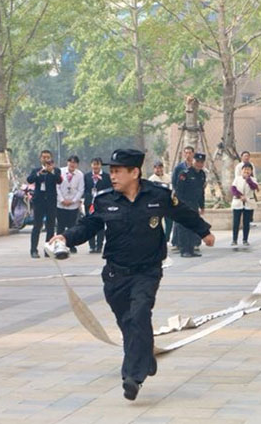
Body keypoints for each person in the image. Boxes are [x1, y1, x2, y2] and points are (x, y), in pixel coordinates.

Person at [50, 148, 214, 401]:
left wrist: (204, 232)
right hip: (115, 274)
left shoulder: (158, 196)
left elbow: (182, 213)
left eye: (118, 171)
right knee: (128, 323)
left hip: (147, 272)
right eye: (111, 171)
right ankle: (145, 356)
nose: (113, 176)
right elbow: (89, 225)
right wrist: (65, 237)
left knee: (139, 315)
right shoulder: (105, 199)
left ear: (134, 172)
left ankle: (132, 377)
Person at [27, 150, 62, 258]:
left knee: (51, 226)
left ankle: (48, 250)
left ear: (51, 158)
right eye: (44, 157)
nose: (46, 159)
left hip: (51, 201)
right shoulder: (36, 170)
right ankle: (33, 250)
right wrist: (39, 173)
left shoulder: (56, 170)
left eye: (48, 157)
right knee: (37, 226)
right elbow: (29, 180)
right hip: (39, 201)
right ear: (40, 158)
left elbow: (59, 181)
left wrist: (51, 171)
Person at [175, 153, 207, 258]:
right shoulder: (185, 174)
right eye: (197, 161)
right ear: (193, 161)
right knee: (184, 227)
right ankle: (184, 250)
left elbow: (201, 192)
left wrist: (202, 205)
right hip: (184, 203)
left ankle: (191, 249)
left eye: (201, 162)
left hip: (194, 204)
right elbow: (178, 191)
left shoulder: (202, 174)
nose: (199, 164)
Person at [83, 157, 111, 253]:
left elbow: (109, 190)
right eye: (94, 164)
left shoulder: (106, 176)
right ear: (91, 165)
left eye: (98, 164)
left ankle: (99, 245)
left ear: (101, 165)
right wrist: (89, 198)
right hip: (89, 204)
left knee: (100, 225)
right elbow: (85, 189)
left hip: (102, 204)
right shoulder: (87, 176)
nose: (96, 166)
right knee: (89, 224)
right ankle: (91, 246)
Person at [56, 155, 84, 253]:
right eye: (70, 162)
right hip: (61, 204)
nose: (72, 164)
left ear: (77, 164)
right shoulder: (60, 171)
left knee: (72, 227)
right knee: (60, 226)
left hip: (73, 205)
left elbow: (81, 190)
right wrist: (62, 200)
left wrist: (73, 201)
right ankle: (59, 245)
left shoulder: (80, 175)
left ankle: (71, 245)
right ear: (67, 162)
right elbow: (57, 187)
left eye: (74, 162)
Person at [170, 146, 195, 251]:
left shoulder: (196, 167)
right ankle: (177, 242)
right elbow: (174, 181)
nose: (188, 155)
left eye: (190, 153)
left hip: (192, 198)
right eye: (186, 153)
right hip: (181, 197)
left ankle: (193, 243)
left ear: (193, 154)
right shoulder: (179, 167)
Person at [231, 163, 259, 246]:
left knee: (246, 222)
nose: (246, 171)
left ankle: (245, 239)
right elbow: (233, 189)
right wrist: (240, 196)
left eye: (248, 169)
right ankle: (234, 240)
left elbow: (254, 187)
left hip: (248, 203)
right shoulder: (237, 179)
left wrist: (248, 179)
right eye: (245, 169)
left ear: (251, 171)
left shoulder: (253, 179)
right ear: (242, 170)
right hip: (238, 202)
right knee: (236, 222)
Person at [148, 160, 172, 242]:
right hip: (156, 204)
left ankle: (166, 238)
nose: (159, 170)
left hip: (167, 203)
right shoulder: (151, 180)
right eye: (157, 168)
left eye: (160, 168)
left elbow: (171, 189)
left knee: (169, 222)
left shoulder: (168, 178)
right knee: (156, 222)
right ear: (154, 169)